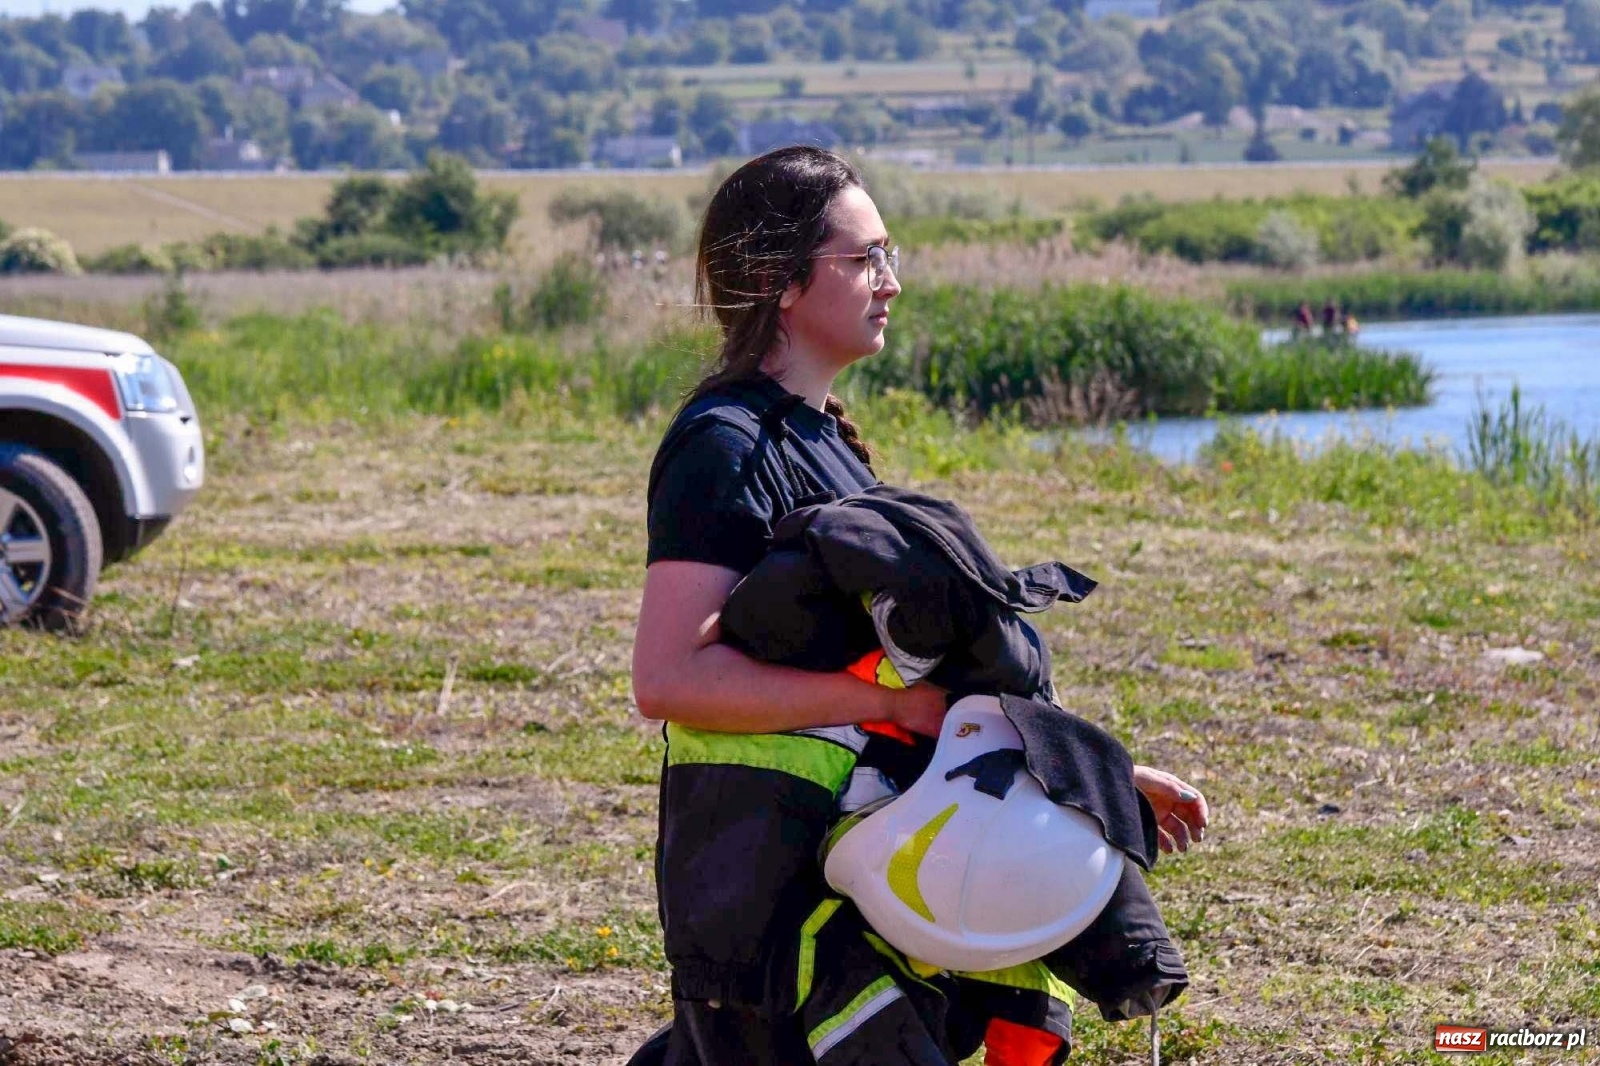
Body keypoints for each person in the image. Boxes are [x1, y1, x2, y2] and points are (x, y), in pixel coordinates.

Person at [631, 146, 1208, 1065]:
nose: (890, 282)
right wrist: (887, 708)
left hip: (865, 850)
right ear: (783, 283)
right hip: (757, 856)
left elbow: (925, 673)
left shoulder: (826, 446)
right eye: (865, 260)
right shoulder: (722, 447)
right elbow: (670, 677)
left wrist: (1092, 776)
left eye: (887, 256)